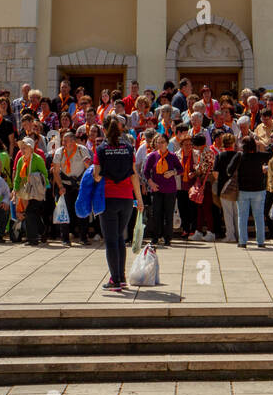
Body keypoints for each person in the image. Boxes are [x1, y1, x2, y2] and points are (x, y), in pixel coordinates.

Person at [93, 116, 144, 291]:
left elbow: (97, 175)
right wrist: (139, 199)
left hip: (108, 198)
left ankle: (115, 280)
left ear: (104, 130)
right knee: (120, 238)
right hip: (127, 199)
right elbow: (134, 174)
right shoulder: (129, 148)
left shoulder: (101, 149)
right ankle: (121, 277)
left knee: (111, 240)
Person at [52, 130, 92, 244]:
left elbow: (88, 167)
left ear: (73, 141)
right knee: (65, 211)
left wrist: (85, 183)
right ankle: (65, 238)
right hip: (65, 184)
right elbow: (55, 171)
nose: (63, 142)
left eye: (66, 140)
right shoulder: (59, 152)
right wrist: (60, 186)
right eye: (63, 140)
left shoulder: (81, 150)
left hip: (80, 185)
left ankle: (84, 237)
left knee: (82, 210)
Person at [228, 137, 268, 247]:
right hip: (259, 189)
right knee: (259, 216)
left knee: (242, 216)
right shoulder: (260, 156)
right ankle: (260, 241)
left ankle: (242, 241)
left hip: (243, 190)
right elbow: (271, 154)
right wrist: (262, 144)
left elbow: (229, 170)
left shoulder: (239, 156)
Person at [144, 132, 181, 246]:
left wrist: (172, 172)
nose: (160, 145)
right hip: (157, 189)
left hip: (170, 189)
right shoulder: (152, 156)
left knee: (168, 215)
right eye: (158, 142)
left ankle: (168, 238)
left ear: (167, 143)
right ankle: (156, 237)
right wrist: (151, 183)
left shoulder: (172, 156)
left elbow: (180, 169)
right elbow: (146, 171)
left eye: (162, 142)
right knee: (156, 214)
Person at [12, 136, 49, 245]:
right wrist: (15, 190)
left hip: (37, 191)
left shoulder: (38, 159)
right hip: (26, 191)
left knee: (29, 213)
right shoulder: (20, 160)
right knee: (33, 214)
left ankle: (32, 239)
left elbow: (45, 175)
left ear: (31, 149)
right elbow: (18, 178)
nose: (22, 150)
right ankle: (43, 231)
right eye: (21, 148)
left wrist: (33, 177)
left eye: (25, 148)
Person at [213, 132, 239, 242]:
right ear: (233, 143)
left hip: (224, 188)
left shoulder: (219, 156)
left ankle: (230, 235)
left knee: (227, 213)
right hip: (237, 188)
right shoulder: (239, 155)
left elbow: (215, 174)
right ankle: (240, 235)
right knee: (237, 213)